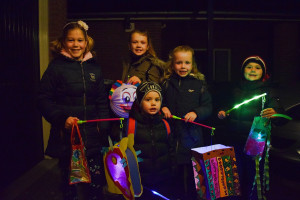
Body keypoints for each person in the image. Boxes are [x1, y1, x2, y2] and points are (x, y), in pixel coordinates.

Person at [38, 20, 109, 200]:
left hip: (93, 135)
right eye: (71, 40)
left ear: (86, 42)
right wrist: (62, 119)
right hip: (68, 136)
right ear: (63, 42)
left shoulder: (94, 67)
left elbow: (101, 98)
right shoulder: (56, 68)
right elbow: (43, 99)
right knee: (71, 182)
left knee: (95, 182)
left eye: (79, 40)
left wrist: (104, 125)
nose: (76, 45)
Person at [217, 55, 285, 200]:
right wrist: (223, 112)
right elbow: (227, 105)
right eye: (249, 67)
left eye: (257, 67)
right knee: (234, 173)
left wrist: (275, 113)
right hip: (233, 138)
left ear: (263, 72)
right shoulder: (235, 89)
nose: (253, 70)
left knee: (254, 175)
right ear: (243, 71)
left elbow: (279, 112)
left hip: (255, 140)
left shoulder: (268, 91)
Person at [161, 45, 212, 200]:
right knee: (173, 173)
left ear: (192, 64)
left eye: (187, 63)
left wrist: (197, 112)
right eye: (179, 63)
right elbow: (158, 100)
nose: (183, 66)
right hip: (171, 137)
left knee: (193, 175)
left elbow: (208, 106)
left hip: (192, 137)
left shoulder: (198, 84)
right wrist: (162, 107)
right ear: (172, 64)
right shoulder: (166, 83)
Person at [124, 82, 175, 200]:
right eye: (148, 99)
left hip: (162, 180)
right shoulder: (131, 125)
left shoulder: (165, 124)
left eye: (157, 99)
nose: (153, 103)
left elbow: (171, 151)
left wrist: (172, 172)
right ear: (140, 102)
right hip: (140, 183)